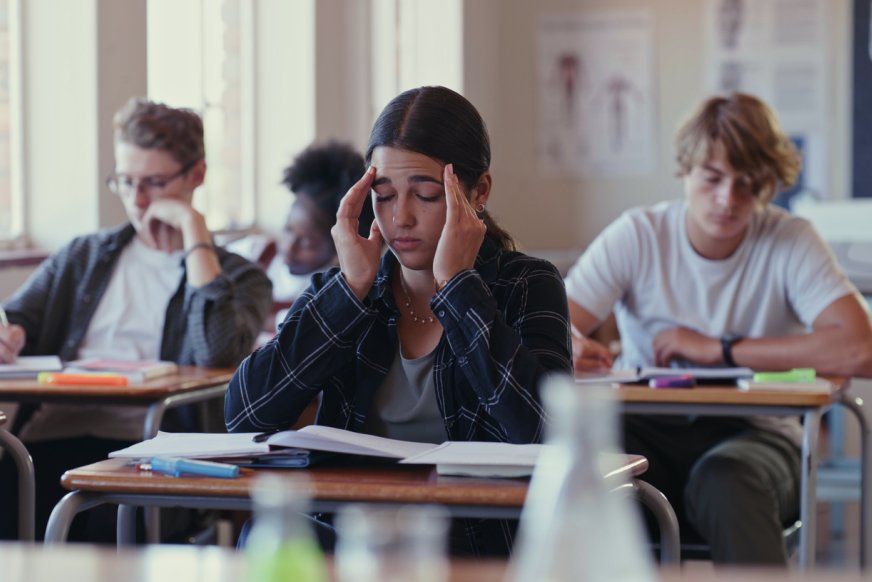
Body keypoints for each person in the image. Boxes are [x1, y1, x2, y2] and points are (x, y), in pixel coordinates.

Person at [225, 85, 572, 555]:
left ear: (479, 192)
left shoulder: (527, 284)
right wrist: (350, 290)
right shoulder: (350, 288)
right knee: (265, 541)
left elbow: (547, 432)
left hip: (473, 543)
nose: (401, 217)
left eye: (426, 195)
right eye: (384, 195)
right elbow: (245, 415)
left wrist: (458, 287)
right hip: (352, 537)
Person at [564, 93, 872, 564]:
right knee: (588, 462)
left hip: (758, 437)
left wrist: (721, 349)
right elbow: (552, 327)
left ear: (767, 184)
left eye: (747, 183)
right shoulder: (639, 234)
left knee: (727, 479)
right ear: (685, 170)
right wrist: (570, 344)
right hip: (650, 431)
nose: (728, 199)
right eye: (712, 178)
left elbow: (860, 350)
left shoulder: (789, 239)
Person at [0, 97, 273, 541]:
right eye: (126, 182)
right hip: (54, 434)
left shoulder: (242, 277)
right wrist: (8, 333)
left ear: (196, 175)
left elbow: (219, 350)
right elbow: (16, 315)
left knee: (106, 523)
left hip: (153, 445)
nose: (137, 200)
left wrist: (193, 230)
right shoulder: (85, 255)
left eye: (154, 183)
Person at [228, 141, 374, 323]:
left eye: (307, 243)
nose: (290, 246)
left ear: (336, 248)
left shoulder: (327, 293)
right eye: (288, 229)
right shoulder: (257, 251)